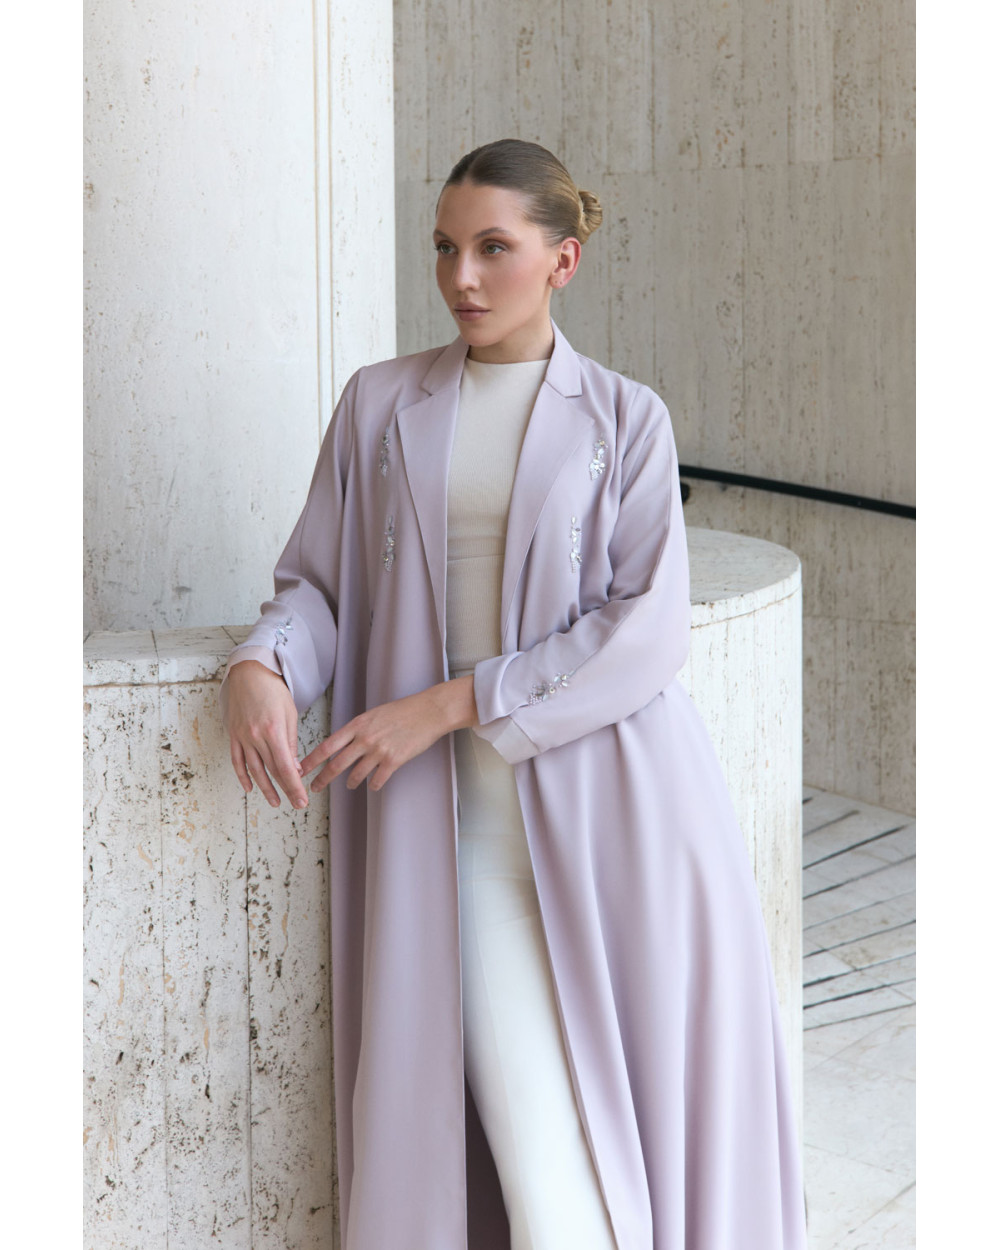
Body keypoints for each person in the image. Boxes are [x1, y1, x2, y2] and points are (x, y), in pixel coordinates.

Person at [221, 139, 808, 1250]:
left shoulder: (627, 418)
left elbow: (646, 629)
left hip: (626, 822)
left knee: (635, 1138)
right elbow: (318, 587)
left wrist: (447, 704)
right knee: (543, 1170)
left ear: (563, 260)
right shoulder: (378, 405)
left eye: (494, 247)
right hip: (456, 839)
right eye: (445, 247)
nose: (462, 277)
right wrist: (263, 664)